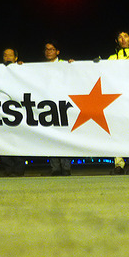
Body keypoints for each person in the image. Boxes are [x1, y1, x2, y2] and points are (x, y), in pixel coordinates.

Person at [108, 30, 129, 174]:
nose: (123, 39)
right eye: (120, 37)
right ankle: (119, 164)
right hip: (116, 100)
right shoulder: (110, 59)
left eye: (126, 36)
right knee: (117, 132)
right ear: (116, 41)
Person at [44, 41, 72, 176]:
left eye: (52, 49)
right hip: (47, 105)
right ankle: (55, 167)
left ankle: (65, 167)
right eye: (47, 49)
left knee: (64, 136)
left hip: (62, 105)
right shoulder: (39, 67)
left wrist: (74, 67)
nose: (49, 51)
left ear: (57, 52)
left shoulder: (65, 65)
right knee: (51, 136)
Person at [0, 47, 26, 176]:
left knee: (19, 140)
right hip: (3, 110)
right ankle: (8, 169)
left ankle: (19, 169)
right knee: (4, 139)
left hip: (19, 110)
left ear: (16, 58)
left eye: (10, 55)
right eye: (5, 55)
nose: (7, 58)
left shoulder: (22, 69)